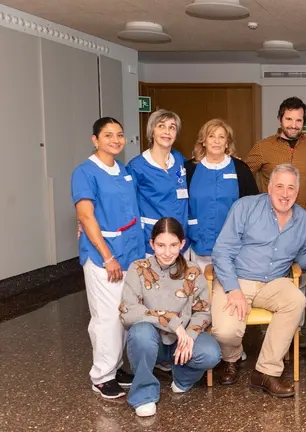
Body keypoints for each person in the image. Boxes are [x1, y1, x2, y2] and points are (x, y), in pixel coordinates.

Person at [210, 164, 306, 395]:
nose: (285, 193)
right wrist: (233, 290)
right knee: (225, 332)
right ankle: (231, 358)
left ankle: (266, 372)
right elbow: (221, 252)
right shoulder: (245, 207)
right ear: (269, 187)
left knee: (295, 299)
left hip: (274, 282)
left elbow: (301, 260)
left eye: (291, 188)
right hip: (238, 279)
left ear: (298, 191)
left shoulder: (303, 220)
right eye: (279, 186)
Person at [71, 117, 145, 399]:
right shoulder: (85, 172)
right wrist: (107, 256)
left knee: (124, 313)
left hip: (130, 253)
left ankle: (115, 367)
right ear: (95, 139)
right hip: (106, 257)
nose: (115, 140)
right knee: (107, 318)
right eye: (108, 135)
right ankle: (101, 376)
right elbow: (86, 216)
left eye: (120, 135)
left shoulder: (123, 170)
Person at [120, 217, 221, 417]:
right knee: (140, 333)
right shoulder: (138, 268)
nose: (167, 252)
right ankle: (144, 395)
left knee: (211, 353)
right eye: (161, 245)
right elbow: (128, 312)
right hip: (151, 343)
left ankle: (182, 377)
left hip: (179, 344)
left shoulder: (193, 271)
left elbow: (203, 311)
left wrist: (189, 336)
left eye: (173, 245)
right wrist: (172, 322)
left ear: (182, 244)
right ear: (151, 244)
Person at [185, 119, 258, 270]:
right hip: (198, 243)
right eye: (211, 136)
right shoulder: (189, 169)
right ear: (203, 141)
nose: (216, 141)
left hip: (233, 248)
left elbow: (253, 208)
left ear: (227, 143)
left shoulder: (240, 169)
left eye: (221, 137)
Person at [244, 97, 306, 213]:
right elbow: (243, 178)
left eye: (298, 120)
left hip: (303, 216)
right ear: (279, 119)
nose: (293, 125)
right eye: (289, 119)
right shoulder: (262, 146)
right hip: (269, 216)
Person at [127, 109, 189, 254]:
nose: (167, 131)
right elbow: (126, 204)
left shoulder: (179, 160)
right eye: (161, 126)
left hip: (180, 240)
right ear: (152, 131)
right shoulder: (136, 166)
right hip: (153, 241)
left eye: (172, 127)